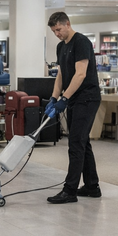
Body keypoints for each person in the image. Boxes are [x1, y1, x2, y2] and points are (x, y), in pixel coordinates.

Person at [45, 12, 101, 204]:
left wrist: (64, 98)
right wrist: (54, 97)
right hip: (75, 99)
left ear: (67, 24)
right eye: (53, 32)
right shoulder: (61, 47)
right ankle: (92, 187)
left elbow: (80, 75)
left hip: (88, 98)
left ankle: (70, 191)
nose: (57, 34)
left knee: (75, 142)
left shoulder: (81, 42)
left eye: (58, 29)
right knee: (82, 141)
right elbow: (61, 74)